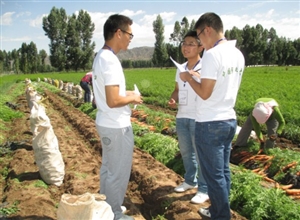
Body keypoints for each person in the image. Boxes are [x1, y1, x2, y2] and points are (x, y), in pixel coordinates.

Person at [180, 12, 245, 219]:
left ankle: (220, 215)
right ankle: (219, 210)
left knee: (213, 175)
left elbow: (205, 93)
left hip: (210, 123)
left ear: (207, 30)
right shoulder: (237, 54)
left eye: (199, 37)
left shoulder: (213, 54)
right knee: (224, 171)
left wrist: (189, 78)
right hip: (229, 120)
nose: (201, 42)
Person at [92, 14, 143, 220]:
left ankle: (107, 206)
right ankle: (114, 213)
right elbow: (113, 100)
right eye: (130, 34)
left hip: (106, 121)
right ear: (118, 33)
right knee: (118, 172)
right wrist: (133, 98)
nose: (131, 38)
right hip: (116, 126)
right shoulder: (110, 60)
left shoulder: (101, 56)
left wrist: (129, 94)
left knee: (108, 169)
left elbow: (108, 96)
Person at [168, 30, 209, 204]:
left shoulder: (206, 67)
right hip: (182, 116)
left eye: (191, 43)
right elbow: (177, 89)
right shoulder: (180, 68)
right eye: (184, 43)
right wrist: (173, 98)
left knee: (201, 154)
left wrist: (194, 76)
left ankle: (204, 189)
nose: (186, 47)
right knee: (186, 152)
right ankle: (190, 181)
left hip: (198, 117)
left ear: (200, 46)